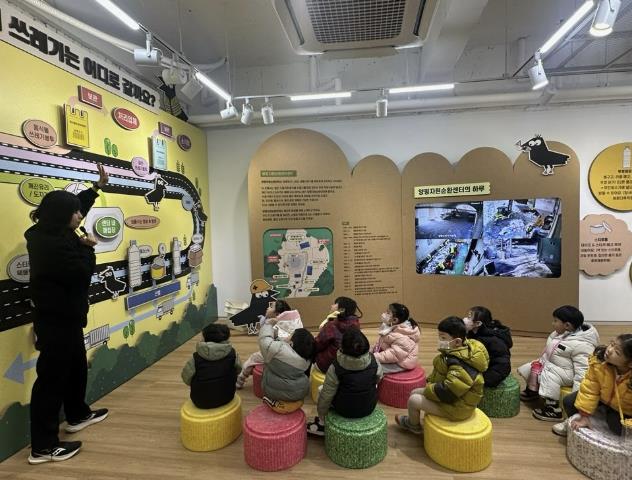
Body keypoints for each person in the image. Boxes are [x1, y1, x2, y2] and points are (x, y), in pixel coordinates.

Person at [26, 164, 110, 465]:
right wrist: (89, 249)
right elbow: (81, 274)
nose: (80, 216)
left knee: (75, 367)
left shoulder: (52, 229)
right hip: (56, 321)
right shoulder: (53, 245)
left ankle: (77, 414)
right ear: (63, 216)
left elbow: (76, 207)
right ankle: (43, 447)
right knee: (50, 382)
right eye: (75, 213)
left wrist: (96, 188)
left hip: (68, 317)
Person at [396, 316, 489, 434]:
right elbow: (442, 372)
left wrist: (428, 390)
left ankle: (413, 426)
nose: (440, 340)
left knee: (413, 400)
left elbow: (448, 392)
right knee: (414, 392)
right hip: (454, 399)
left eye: (443, 338)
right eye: (439, 337)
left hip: (457, 408)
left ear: (457, 341)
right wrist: (430, 382)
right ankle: (415, 419)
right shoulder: (457, 351)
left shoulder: (460, 364)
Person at [517, 305, 600, 422]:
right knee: (532, 367)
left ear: (567, 325)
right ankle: (533, 391)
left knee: (549, 376)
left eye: (555, 321)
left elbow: (583, 370)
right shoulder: (559, 333)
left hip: (567, 372)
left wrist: (576, 395)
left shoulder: (582, 345)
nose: (553, 324)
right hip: (555, 364)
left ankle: (553, 409)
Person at [552, 334, 632, 437]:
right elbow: (589, 390)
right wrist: (584, 416)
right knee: (569, 401)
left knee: (618, 427)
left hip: (622, 408)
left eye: (617, 352)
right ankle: (573, 422)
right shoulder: (599, 363)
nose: (609, 350)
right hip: (601, 398)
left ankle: (600, 419)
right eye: (612, 344)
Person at [307, 328, 383, 436]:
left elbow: (326, 395)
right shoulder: (374, 361)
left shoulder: (335, 367)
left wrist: (322, 415)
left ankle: (322, 424)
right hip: (370, 406)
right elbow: (379, 377)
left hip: (344, 409)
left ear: (341, 348)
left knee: (322, 389)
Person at [236, 300, 302, 388]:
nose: (267, 308)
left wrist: (266, 325)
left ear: (277, 314)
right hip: (294, 358)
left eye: (271, 307)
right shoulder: (293, 322)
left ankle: (240, 379)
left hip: (277, 354)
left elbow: (265, 342)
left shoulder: (276, 326)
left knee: (253, 358)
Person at [259, 317, 316, 414]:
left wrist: (268, 325)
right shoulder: (306, 359)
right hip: (298, 393)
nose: (288, 336)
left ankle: (275, 402)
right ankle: (291, 404)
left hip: (274, 392)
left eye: (290, 335)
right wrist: (276, 337)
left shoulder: (278, 350)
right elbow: (284, 350)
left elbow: (265, 342)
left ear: (291, 343)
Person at [181, 324, 242, 409]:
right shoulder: (233, 354)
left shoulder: (195, 358)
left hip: (201, 402)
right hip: (227, 397)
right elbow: (239, 369)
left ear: (205, 338)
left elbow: (186, 379)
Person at [463, 306, 512, 387]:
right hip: (483, 365)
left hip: (494, 372)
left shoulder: (492, 340)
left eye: (469, 318)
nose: (465, 319)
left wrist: (484, 379)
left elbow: (502, 363)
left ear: (478, 323)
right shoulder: (473, 333)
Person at [314, 297, 361, 373]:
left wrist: (327, 322)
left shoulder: (331, 325)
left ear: (341, 310)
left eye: (335, 304)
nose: (331, 305)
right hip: (348, 365)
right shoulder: (356, 324)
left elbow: (317, 345)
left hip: (329, 366)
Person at [373, 303, 420, 374]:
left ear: (395, 320)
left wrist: (374, 357)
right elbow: (381, 341)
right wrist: (373, 350)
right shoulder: (391, 326)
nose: (384, 314)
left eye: (388, 313)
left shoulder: (402, 337)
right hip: (396, 356)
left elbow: (394, 355)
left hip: (402, 363)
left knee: (374, 368)